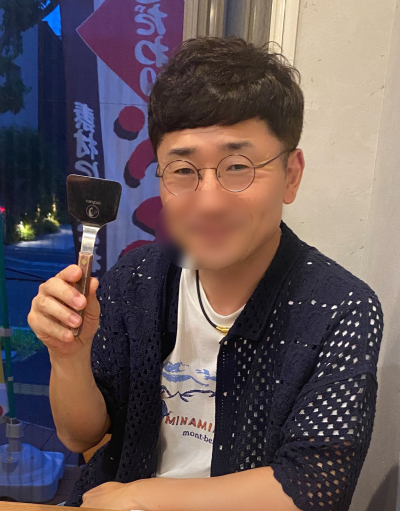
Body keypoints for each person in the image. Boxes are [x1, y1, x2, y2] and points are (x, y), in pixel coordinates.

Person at [28, 37, 383, 511]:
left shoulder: (339, 308)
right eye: (183, 170)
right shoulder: (136, 279)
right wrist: (68, 356)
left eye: (238, 166)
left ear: (292, 174)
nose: (210, 201)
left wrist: (141, 498)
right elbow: (83, 436)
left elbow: (315, 486)